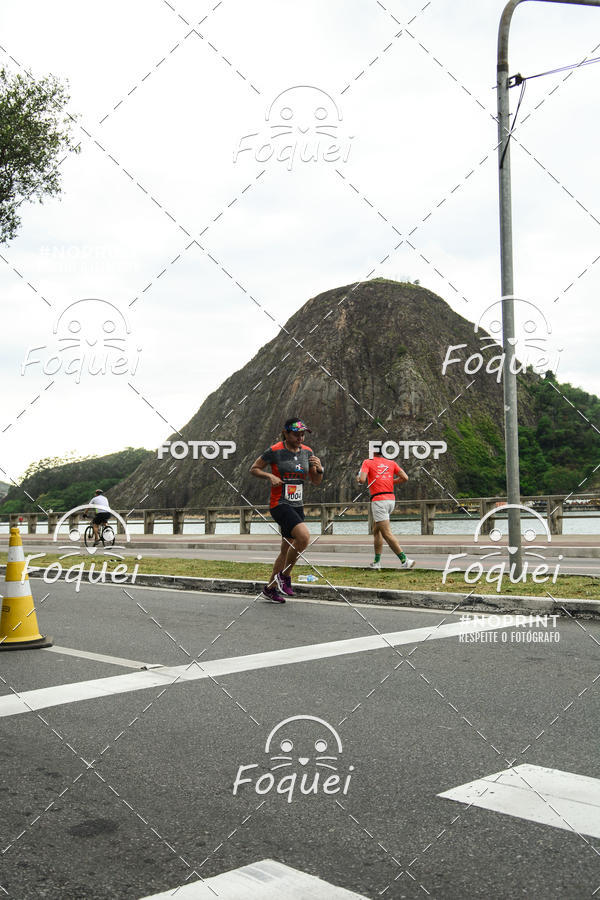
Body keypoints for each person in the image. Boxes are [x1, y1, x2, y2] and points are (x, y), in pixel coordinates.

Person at [250, 418, 324, 602]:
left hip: (297, 505)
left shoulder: (308, 453)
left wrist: (319, 469)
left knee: (286, 550)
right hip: (279, 504)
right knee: (304, 537)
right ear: (285, 433)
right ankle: (285, 576)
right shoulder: (274, 451)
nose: (300, 437)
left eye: (303, 434)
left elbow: (315, 481)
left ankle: (270, 588)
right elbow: (254, 469)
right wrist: (269, 476)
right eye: (296, 434)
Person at [357, 450, 415, 570]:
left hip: (379, 501)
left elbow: (362, 480)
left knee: (386, 533)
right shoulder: (391, 463)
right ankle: (376, 562)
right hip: (391, 500)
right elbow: (405, 477)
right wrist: (390, 481)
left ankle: (405, 560)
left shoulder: (367, 462)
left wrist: (358, 478)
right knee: (376, 530)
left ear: (372, 451)